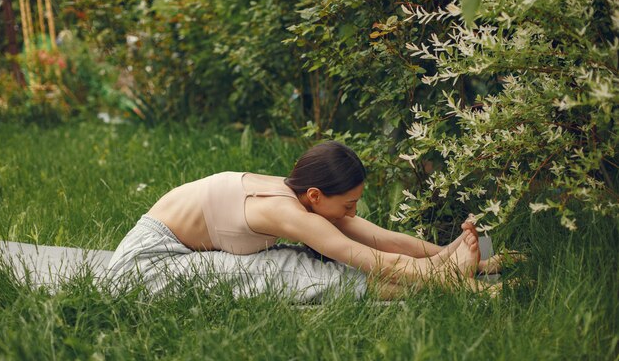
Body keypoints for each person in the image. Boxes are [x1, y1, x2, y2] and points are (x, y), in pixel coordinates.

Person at [106, 141, 503, 301]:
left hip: (174, 252)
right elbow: (363, 256)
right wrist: (441, 275)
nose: (353, 212)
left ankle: (452, 275)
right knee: (287, 268)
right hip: (144, 268)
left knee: (296, 259)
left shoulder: (301, 195)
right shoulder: (284, 210)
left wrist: (454, 254)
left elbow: (379, 239)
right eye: (348, 205)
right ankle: (447, 286)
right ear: (315, 196)